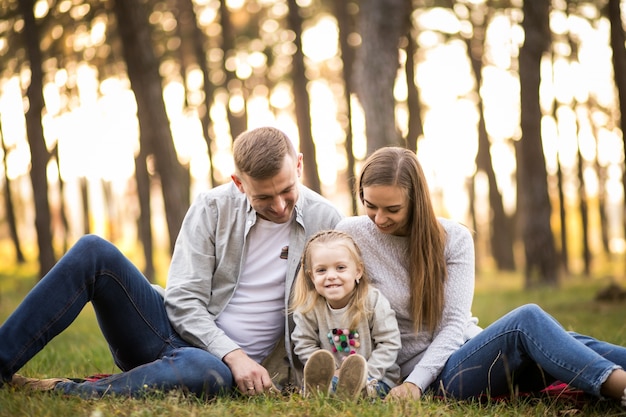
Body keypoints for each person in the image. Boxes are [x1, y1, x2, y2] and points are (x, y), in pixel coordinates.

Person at [0, 126, 344, 399]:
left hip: (215, 369)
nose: (280, 206)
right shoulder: (212, 208)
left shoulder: (325, 220)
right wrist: (233, 354)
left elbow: (339, 302)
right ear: (238, 183)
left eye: (287, 190)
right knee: (93, 251)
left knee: (203, 371)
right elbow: (182, 300)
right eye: (264, 197)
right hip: (165, 334)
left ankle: (68, 389)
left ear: (298, 165)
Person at [335, 146, 626, 405]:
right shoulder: (352, 234)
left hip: (467, 351)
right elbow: (331, 308)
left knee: (567, 342)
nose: (379, 218)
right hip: (434, 377)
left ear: (416, 201)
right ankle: (621, 388)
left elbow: (453, 324)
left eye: (392, 209)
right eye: (370, 205)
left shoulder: (454, 238)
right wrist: (412, 383)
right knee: (526, 322)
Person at [290, 230, 401, 400]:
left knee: (367, 391)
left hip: (376, 377)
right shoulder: (309, 307)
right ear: (312, 277)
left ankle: (347, 393)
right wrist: (332, 372)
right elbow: (304, 344)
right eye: (321, 270)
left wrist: (366, 375)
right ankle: (324, 391)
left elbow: (389, 343)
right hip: (331, 377)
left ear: (358, 271)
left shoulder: (372, 301)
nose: (331, 276)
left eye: (340, 268)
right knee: (329, 387)